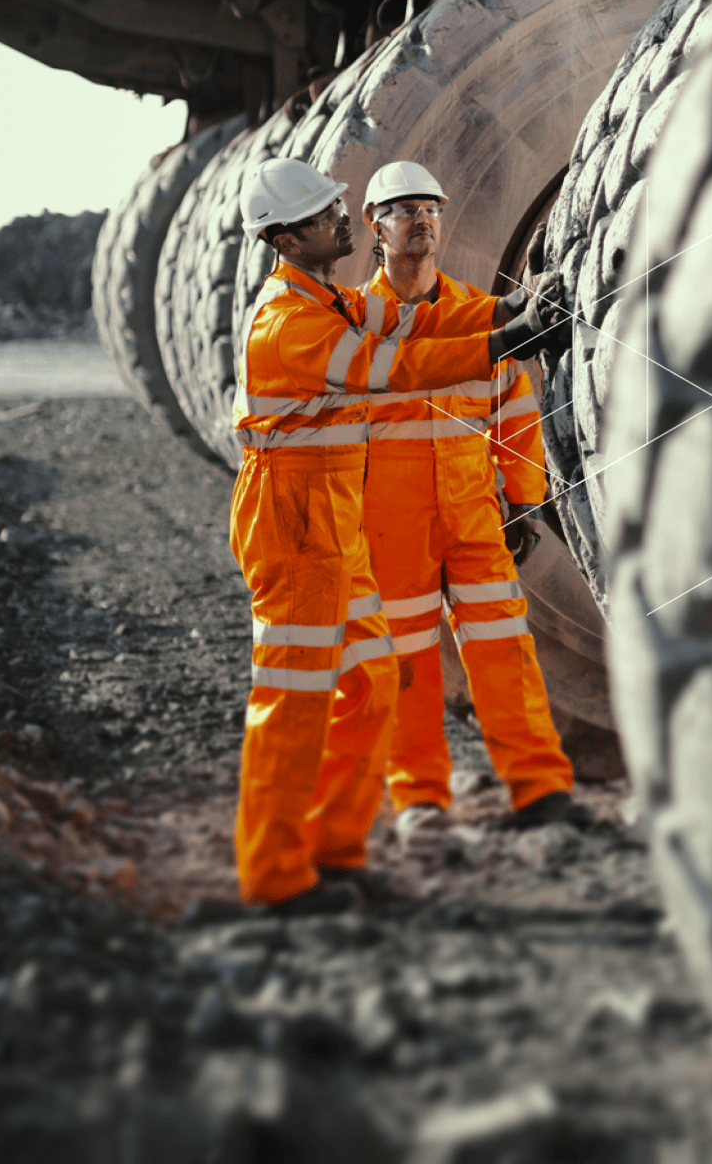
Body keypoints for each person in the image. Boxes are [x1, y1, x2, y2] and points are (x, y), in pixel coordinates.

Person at [231, 157, 556, 912]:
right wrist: (506, 344)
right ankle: (276, 877)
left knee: (373, 679)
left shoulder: (332, 302)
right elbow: (396, 368)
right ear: (284, 239)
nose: (341, 222)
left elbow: (418, 319)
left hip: (331, 519)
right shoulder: (291, 325)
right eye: (323, 217)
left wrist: (520, 314)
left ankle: (336, 855)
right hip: (293, 526)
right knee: (293, 701)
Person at [357, 160, 588, 853]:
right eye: (404, 210)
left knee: (504, 652)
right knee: (408, 663)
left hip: (471, 512)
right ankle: (421, 799)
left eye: (430, 207)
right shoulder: (357, 326)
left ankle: (540, 788)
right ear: (375, 227)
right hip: (392, 521)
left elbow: (515, 412)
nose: (422, 219)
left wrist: (521, 500)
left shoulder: (474, 313)